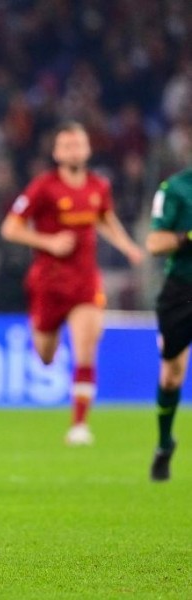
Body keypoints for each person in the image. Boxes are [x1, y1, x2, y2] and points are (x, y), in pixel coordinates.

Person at [0, 121, 143, 446]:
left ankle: (79, 425)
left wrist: (128, 246)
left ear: (88, 149)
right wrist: (48, 242)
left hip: (84, 282)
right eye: (66, 146)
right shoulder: (43, 187)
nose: (73, 150)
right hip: (48, 284)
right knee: (46, 356)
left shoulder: (98, 186)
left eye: (78, 144)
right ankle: (48, 338)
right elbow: (10, 228)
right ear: (56, 152)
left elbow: (104, 219)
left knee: (86, 350)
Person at [145, 165, 192, 481]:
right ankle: (164, 444)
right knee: (172, 375)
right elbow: (155, 243)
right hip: (183, 289)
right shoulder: (175, 188)